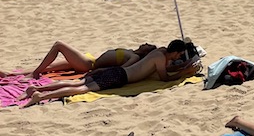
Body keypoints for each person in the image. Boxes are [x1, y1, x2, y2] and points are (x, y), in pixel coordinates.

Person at [22, 39, 199, 106]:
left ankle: (38, 91)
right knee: (81, 89)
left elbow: (168, 67)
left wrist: (182, 68)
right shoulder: (160, 59)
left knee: (76, 83)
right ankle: (41, 97)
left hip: (117, 71)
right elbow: (164, 78)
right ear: (175, 52)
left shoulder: (160, 52)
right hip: (119, 76)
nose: (178, 59)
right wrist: (185, 73)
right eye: (179, 56)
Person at [6, 41, 158, 78]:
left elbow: (123, 70)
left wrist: (98, 71)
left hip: (87, 65)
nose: (146, 43)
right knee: (49, 67)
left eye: (149, 45)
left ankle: (35, 73)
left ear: (148, 52)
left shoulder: (135, 56)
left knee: (58, 45)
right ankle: (9, 74)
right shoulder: (132, 51)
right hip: (89, 59)